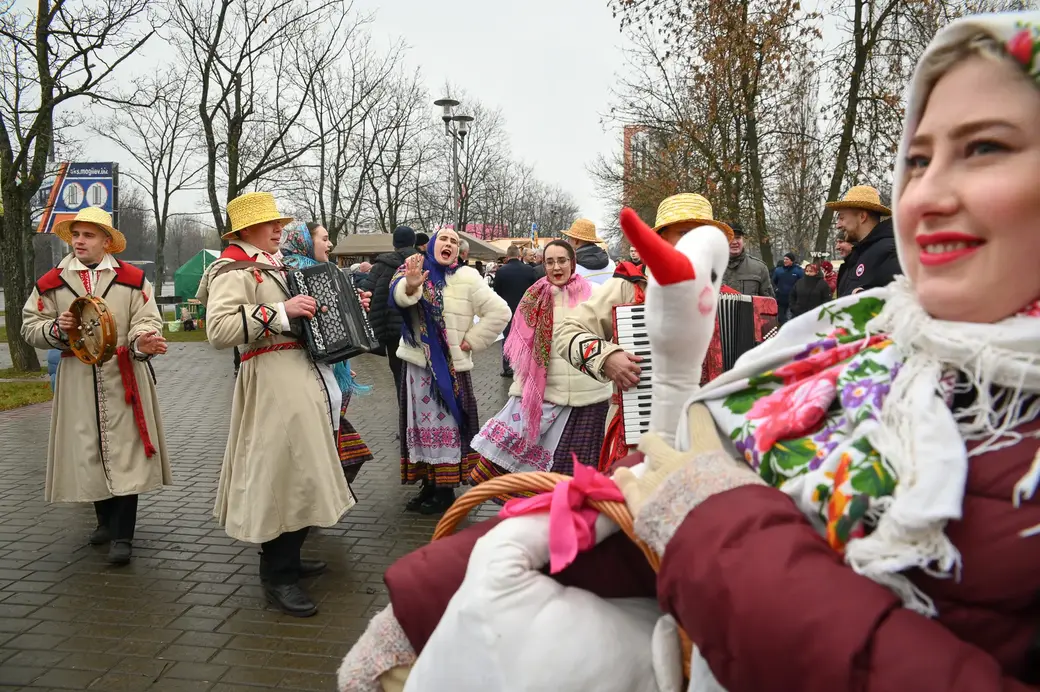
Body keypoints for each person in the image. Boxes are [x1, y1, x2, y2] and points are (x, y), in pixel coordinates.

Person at [340, 12, 1040, 690]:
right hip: (618, 421)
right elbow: (642, 510)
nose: (931, 191)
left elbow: (699, 501)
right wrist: (435, 601)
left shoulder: (765, 306)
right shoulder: (841, 344)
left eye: (984, 148)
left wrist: (705, 513)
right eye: (917, 159)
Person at [198, 192, 355, 617]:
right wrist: (280, 311)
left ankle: (288, 558)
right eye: (270, 223)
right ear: (245, 230)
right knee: (283, 473)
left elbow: (296, 315)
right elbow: (219, 330)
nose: (279, 229)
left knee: (300, 471)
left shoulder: (271, 263)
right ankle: (277, 575)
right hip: (271, 377)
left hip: (298, 373)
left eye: (279, 222)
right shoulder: (232, 269)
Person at [21, 207, 171, 566]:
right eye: (76, 235)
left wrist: (143, 341)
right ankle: (104, 520)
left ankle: (124, 534)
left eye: (88, 235)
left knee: (126, 451)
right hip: (76, 379)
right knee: (90, 447)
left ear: (106, 241)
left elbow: (147, 319)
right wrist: (57, 328)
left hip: (124, 376)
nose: (79, 241)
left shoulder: (134, 279)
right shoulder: (51, 283)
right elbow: (30, 327)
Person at [556, 193, 733, 469]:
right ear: (660, 238)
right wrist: (606, 357)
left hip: (710, 440)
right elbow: (567, 332)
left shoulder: (727, 298)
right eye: (685, 233)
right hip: (640, 437)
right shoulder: (629, 287)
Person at [470, 240, 612, 495]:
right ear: (543, 264)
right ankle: (542, 520)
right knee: (540, 475)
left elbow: (612, 336)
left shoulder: (595, 293)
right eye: (550, 261)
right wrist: (521, 390)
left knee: (577, 474)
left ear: (573, 263)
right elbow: (522, 350)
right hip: (545, 397)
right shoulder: (533, 297)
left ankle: (576, 526)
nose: (556, 267)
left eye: (562, 260)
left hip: (589, 397)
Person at [391, 229, 510, 515]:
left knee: (445, 429)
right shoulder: (414, 268)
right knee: (421, 428)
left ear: (459, 251)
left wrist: (472, 340)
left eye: (454, 242)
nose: (449, 245)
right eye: (443, 240)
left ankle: (445, 490)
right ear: (432, 245)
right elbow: (398, 297)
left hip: (450, 370)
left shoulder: (468, 277)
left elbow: (501, 312)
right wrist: (410, 285)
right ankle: (428, 484)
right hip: (417, 365)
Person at [279, 222, 374, 485]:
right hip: (308, 372)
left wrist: (356, 305)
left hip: (321, 369)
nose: (330, 244)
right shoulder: (300, 271)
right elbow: (317, 327)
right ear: (306, 242)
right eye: (324, 238)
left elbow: (329, 320)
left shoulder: (305, 269)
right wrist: (337, 356)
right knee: (321, 443)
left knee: (325, 442)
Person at [367, 226, 419, 398]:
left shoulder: (380, 266)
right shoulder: (422, 263)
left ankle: (405, 419)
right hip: (417, 329)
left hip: (391, 333)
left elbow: (366, 294)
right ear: (414, 242)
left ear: (394, 243)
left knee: (400, 378)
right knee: (421, 378)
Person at [829, 185, 902, 297]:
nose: (838, 225)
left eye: (842, 218)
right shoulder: (859, 254)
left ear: (862, 216)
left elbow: (902, 302)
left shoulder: (889, 252)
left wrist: (862, 297)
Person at [492, 244, 537, 377]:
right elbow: (534, 290)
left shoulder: (501, 271)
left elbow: (496, 292)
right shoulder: (529, 270)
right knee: (525, 338)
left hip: (507, 310)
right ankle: (524, 365)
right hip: (525, 310)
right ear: (519, 255)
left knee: (507, 338)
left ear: (507, 256)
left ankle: (507, 368)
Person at [721, 221, 774, 297]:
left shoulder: (759, 268)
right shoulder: (711, 268)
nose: (734, 242)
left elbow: (769, 303)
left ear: (744, 241)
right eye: (730, 238)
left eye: (738, 237)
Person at [562, 218, 616, 285]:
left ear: (576, 241)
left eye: (569, 239)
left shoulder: (571, 267)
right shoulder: (612, 264)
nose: (568, 242)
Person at [770, 251, 804, 323]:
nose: (785, 261)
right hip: (781, 298)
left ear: (792, 260)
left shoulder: (798, 270)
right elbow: (773, 282)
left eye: (787, 259)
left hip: (793, 299)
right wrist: (776, 289)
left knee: (791, 317)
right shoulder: (778, 270)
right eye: (784, 259)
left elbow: (802, 283)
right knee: (781, 317)